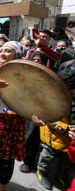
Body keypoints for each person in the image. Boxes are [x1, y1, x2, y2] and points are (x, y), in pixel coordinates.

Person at [0, 41, 26, 191]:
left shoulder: (23, 74)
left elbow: (31, 98)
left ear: (17, 55)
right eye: (2, 50)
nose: (2, 53)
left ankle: (2, 183)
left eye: (8, 51)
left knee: (6, 157)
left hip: (12, 121)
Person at [32, 60, 75, 190]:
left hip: (68, 141)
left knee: (66, 161)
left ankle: (60, 175)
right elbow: (48, 118)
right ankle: (42, 172)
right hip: (52, 138)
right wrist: (66, 128)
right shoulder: (52, 99)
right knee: (47, 158)